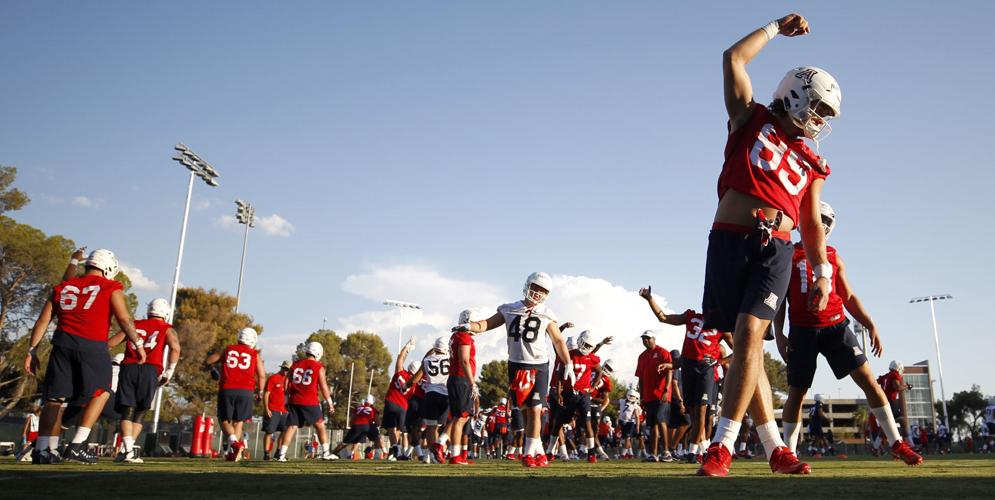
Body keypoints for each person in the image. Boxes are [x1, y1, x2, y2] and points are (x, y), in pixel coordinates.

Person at [698, 12, 841, 477]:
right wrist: (777, 27)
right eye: (818, 108)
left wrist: (821, 272)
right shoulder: (750, 117)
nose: (819, 121)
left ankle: (721, 446)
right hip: (729, 241)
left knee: (751, 334)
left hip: (777, 249)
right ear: (796, 94)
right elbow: (733, 57)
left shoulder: (813, 161)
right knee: (745, 345)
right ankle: (775, 448)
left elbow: (811, 222)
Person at [775, 202, 921, 465]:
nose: (817, 224)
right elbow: (781, 300)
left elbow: (848, 296)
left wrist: (870, 323)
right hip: (802, 330)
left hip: (836, 326)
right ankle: (789, 453)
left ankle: (896, 443)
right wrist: (779, 333)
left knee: (869, 381)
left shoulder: (833, 255)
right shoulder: (788, 255)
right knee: (797, 391)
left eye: (821, 220)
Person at [24, 249, 145, 464]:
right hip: (92, 346)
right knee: (102, 392)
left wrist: (31, 350)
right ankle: (77, 444)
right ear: (108, 268)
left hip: (61, 344)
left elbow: (43, 320)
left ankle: (43, 449)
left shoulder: (64, 286)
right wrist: (137, 343)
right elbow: (124, 319)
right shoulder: (110, 286)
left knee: (54, 399)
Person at [454, 272, 573, 468]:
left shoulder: (547, 313)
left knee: (536, 409)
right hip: (516, 364)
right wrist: (470, 326)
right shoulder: (509, 309)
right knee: (526, 411)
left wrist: (567, 362)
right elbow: (486, 324)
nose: (537, 293)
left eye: (543, 291)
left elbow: (558, 339)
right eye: (535, 287)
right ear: (528, 285)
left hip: (539, 364)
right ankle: (539, 451)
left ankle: (528, 454)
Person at [639, 286, 733, 464]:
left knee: (702, 412)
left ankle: (692, 452)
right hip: (688, 367)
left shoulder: (723, 324)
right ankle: (702, 449)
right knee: (693, 413)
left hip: (706, 370)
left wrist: (720, 362)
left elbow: (739, 349)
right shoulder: (691, 317)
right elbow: (663, 317)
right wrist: (650, 299)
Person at [106, 298, 180, 464]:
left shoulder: (134, 324)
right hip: (150, 369)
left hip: (129, 367)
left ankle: (127, 451)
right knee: (140, 412)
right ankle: (128, 451)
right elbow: (175, 347)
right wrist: (169, 371)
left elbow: (110, 343)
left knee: (127, 410)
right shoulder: (166, 328)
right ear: (166, 313)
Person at [204, 327, 266, 462]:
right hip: (246, 391)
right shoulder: (254, 354)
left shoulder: (228, 349)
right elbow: (261, 375)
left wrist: (212, 370)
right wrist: (260, 392)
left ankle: (235, 444)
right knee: (238, 422)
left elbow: (209, 360)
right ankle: (235, 452)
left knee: (223, 419)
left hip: (228, 388)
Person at [276, 341, 335, 461]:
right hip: (310, 400)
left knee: (292, 427)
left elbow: (287, 381)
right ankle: (326, 452)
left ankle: (281, 454)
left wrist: (286, 398)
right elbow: (323, 387)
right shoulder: (318, 367)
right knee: (320, 425)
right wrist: (329, 402)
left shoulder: (296, 364)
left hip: (294, 399)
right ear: (318, 353)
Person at [635, 330, 674, 462]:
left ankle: (667, 452)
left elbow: (670, 371)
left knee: (660, 419)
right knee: (652, 424)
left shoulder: (663, 352)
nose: (645, 340)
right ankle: (653, 454)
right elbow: (640, 377)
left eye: (648, 338)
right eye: (643, 339)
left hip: (661, 394)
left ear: (654, 339)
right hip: (648, 395)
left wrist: (666, 389)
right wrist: (641, 396)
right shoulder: (641, 356)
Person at [447, 309, 479, 465]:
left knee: (459, 418)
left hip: (455, 378)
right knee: (461, 418)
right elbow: (465, 361)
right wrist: (472, 382)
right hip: (461, 379)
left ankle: (447, 448)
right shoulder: (464, 336)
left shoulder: (456, 336)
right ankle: (454, 455)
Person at [383, 338, 418, 460]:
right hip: (403, 407)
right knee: (399, 430)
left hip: (391, 401)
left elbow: (400, 358)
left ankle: (396, 451)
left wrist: (407, 347)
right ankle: (395, 452)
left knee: (391, 428)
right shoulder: (415, 384)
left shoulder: (399, 372)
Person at [262, 360, 291, 460]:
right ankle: (266, 454)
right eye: (285, 369)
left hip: (285, 411)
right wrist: (266, 408)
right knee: (269, 432)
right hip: (273, 409)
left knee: (285, 432)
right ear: (281, 367)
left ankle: (278, 452)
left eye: (288, 370)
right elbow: (266, 394)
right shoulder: (273, 378)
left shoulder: (289, 381)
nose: (286, 371)